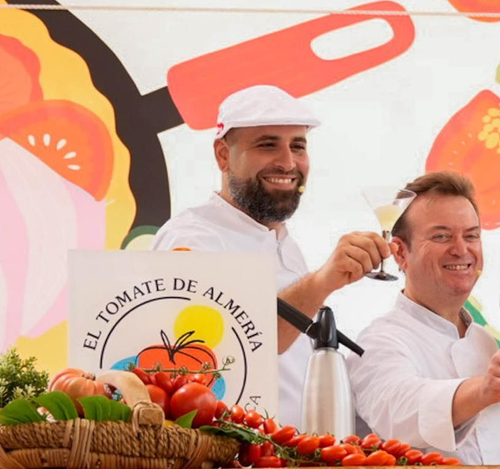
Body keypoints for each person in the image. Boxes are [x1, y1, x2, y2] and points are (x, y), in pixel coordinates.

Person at [153, 85, 386, 428]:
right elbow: (231, 349)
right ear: (223, 155)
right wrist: (325, 280)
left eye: (298, 146)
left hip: (290, 462)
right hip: (231, 465)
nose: (288, 162)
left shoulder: (284, 242)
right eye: (267, 145)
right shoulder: (191, 239)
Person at [351, 172, 500, 465]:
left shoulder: (484, 342)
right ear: (400, 253)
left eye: (471, 236)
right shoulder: (377, 342)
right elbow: (399, 410)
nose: (461, 249)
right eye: (441, 236)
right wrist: (483, 389)